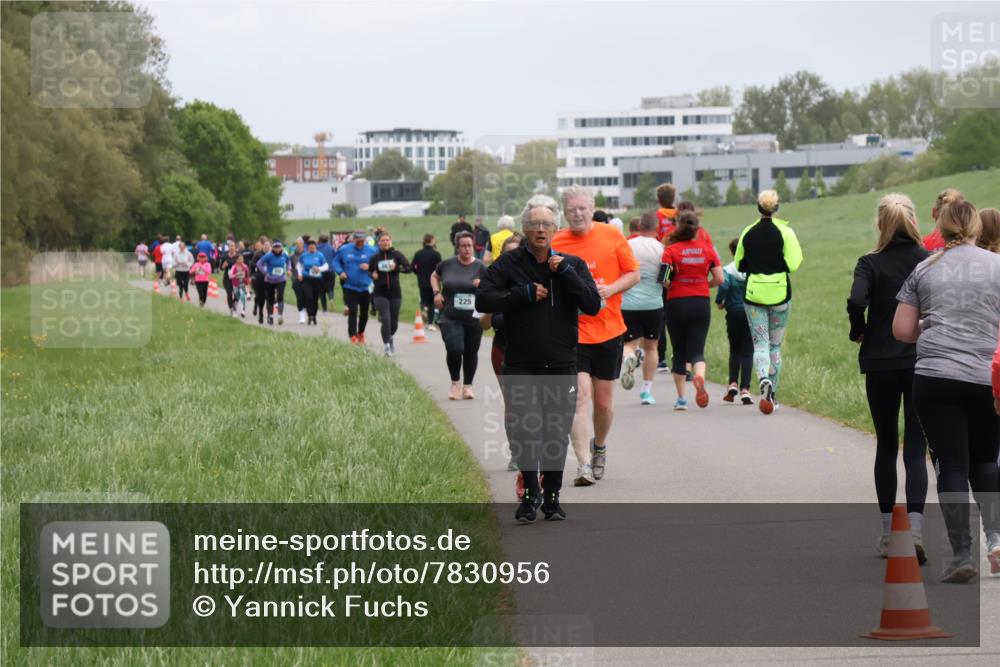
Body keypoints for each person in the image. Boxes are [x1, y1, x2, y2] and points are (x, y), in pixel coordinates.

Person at [893, 200, 1000, 582]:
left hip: (937, 377)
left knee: (952, 465)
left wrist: (933, 324)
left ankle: (961, 553)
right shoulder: (997, 265)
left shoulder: (925, 268)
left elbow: (902, 331)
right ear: (976, 229)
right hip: (987, 377)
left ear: (940, 226)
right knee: (986, 461)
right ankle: (997, 541)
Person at [477, 194, 601, 522]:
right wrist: (522, 294)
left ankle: (552, 497)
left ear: (556, 228)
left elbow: (592, 304)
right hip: (520, 362)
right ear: (524, 229)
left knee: (555, 431)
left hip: (561, 362)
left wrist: (567, 276)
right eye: (534, 225)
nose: (541, 230)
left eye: (546, 224)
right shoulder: (509, 264)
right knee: (526, 429)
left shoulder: (571, 264)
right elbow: (483, 297)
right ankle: (530, 493)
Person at [847, 193, 931, 561]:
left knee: (885, 445)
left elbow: (855, 300)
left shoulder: (869, 262)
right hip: (919, 360)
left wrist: (859, 328)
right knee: (915, 448)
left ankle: (886, 534)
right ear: (914, 222)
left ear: (880, 225)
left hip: (879, 362)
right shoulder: (929, 262)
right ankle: (914, 530)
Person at [551, 185, 640, 486]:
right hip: (572, 333)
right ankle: (583, 466)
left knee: (603, 404)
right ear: (564, 211)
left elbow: (634, 273)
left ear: (592, 208)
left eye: (582, 208)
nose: (577, 213)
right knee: (578, 399)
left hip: (609, 329)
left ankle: (598, 446)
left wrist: (610, 289)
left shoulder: (611, 236)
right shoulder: (556, 241)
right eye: (572, 209)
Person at [734, 190, 803, 414]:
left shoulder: (748, 232)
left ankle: (763, 378)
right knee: (775, 346)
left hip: (754, 295)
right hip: (780, 294)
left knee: (760, 344)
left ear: (759, 208)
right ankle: (772, 396)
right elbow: (794, 263)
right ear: (776, 208)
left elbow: (739, 264)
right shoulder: (786, 232)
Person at [661, 211, 724, 410]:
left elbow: (664, 280)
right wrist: (705, 285)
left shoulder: (670, 251)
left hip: (676, 303)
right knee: (697, 350)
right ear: (697, 228)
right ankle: (699, 375)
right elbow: (720, 279)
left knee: (679, 352)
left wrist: (675, 284)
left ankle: (681, 400)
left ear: (678, 227)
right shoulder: (708, 250)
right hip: (700, 301)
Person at [432, 231, 487, 400]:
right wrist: (436, 293)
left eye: (469, 246)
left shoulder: (480, 267)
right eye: (463, 246)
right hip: (450, 316)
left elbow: (492, 286)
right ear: (457, 247)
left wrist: (482, 284)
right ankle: (455, 383)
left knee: (471, 352)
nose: (467, 249)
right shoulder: (447, 264)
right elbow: (434, 276)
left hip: (474, 318)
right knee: (454, 348)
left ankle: (467, 387)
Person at [620, 211, 665, 405]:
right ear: (657, 228)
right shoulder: (662, 249)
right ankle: (646, 391)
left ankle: (629, 356)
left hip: (628, 303)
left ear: (639, 227)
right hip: (653, 304)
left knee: (628, 344)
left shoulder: (627, 246)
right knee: (651, 347)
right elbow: (666, 280)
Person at [716, 238, 754, 405]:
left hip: (733, 313)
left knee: (735, 349)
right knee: (748, 351)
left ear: (732, 251)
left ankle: (732, 383)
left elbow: (723, 286)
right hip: (752, 312)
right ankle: (745, 389)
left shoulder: (728, 269)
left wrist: (720, 301)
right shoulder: (753, 269)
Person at [370, 232, 412, 356]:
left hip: (395, 292)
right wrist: (372, 274)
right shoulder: (375, 257)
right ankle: (387, 346)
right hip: (380, 292)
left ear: (391, 241)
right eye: (383, 240)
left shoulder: (396, 255)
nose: (385, 242)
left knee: (394, 322)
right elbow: (370, 270)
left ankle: (390, 337)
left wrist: (397, 268)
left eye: (387, 240)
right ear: (379, 243)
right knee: (386, 319)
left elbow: (409, 268)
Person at [333, 231, 377, 343]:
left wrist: (369, 267)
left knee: (364, 313)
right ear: (353, 239)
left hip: (366, 287)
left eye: (362, 240)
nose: (360, 242)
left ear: (365, 240)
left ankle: (361, 333)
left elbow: (378, 264)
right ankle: (352, 336)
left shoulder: (372, 250)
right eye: (358, 240)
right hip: (350, 286)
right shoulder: (344, 249)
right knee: (353, 311)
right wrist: (340, 272)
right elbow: (336, 261)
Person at [412, 234, 443, 331]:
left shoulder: (418, 253)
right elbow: (440, 268)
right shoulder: (436, 254)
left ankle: (424, 310)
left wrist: (418, 273)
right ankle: (430, 323)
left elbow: (413, 266)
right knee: (432, 303)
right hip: (434, 282)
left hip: (422, 281)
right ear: (431, 241)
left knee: (424, 301)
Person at [256, 240, 290, 325]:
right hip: (270, 280)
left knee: (280, 296)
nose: (277, 249)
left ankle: (280, 316)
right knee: (270, 298)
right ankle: (270, 316)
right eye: (276, 247)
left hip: (281, 279)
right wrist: (265, 273)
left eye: (279, 247)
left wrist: (289, 269)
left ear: (281, 248)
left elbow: (289, 262)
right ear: (273, 248)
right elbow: (259, 263)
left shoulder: (284, 255)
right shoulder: (269, 255)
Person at [298, 239, 329, 325]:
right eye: (310, 247)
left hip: (317, 279)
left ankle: (314, 316)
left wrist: (319, 269)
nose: (311, 248)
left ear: (315, 247)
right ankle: (309, 315)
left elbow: (326, 266)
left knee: (315, 298)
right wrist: (299, 274)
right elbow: (299, 265)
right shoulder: (304, 255)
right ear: (307, 247)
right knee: (309, 297)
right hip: (306, 278)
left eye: (313, 247)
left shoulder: (320, 255)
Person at [250, 238, 269, 323]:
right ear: (262, 246)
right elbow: (252, 265)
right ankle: (259, 311)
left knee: (267, 296)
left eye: (268, 246)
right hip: (259, 278)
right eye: (265, 246)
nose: (267, 247)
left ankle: (267, 314)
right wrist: (252, 275)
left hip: (269, 279)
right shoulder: (258, 254)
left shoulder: (272, 255)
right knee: (259, 296)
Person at [316, 234, 337, 312]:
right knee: (330, 288)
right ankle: (331, 299)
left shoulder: (317, 248)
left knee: (321, 291)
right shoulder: (331, 248)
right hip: (330, 270)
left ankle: (324, 308)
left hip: (320, 271)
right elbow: (335, 257)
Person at [289, 238, 307, 324]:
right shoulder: (292, 256)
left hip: (307, 278)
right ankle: (301, 315)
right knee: (299, 297)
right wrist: (289, 270)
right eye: (297, 244)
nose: (298, 246)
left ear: (303, 245)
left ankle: (306, 310)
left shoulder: (307, 254)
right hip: (296, 278)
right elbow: (291, 266)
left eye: (300, 244)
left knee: (307, 297)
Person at [228, 253, 251, 318]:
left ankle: (243, 311)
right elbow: (230, 276)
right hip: (235, 284)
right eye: (240, 259)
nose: (241, 260)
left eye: (242, 259)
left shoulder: (245, 266)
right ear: (236, 260)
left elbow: (247, 276)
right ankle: (235, 310)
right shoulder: (233, 267)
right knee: (236, 298)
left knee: (243, 296)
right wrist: (236, 275)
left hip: (242, 284)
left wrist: (248, 282)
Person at [219, 245, 239, 315]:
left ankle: (235, 302)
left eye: (233, 246)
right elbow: (221, 268)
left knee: (236, 294)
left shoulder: (238, 257)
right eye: (230, 247)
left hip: (236, 278)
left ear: (235, 248)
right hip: (227, 278)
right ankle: (231, 308)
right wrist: (223, 266)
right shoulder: (224, 256)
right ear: (229, 248)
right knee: (229, 294)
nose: (231, 248)